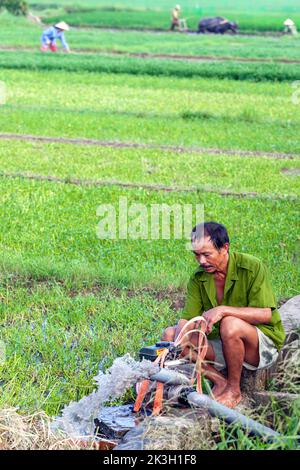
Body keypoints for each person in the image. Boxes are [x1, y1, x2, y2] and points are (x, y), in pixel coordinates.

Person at [162, 222, 286, 408]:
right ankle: (220, 380)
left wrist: (223, 310)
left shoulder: (252, 267)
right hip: (223, 343)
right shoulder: (199, 278)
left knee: (230, 323)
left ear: (225, 248)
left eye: (206, 254)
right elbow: (186, 319)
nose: (201, 261)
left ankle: (234, 390)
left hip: (260, 346)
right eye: (197, 255)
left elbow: (266, 314)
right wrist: (182, 341)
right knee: (172, 335)